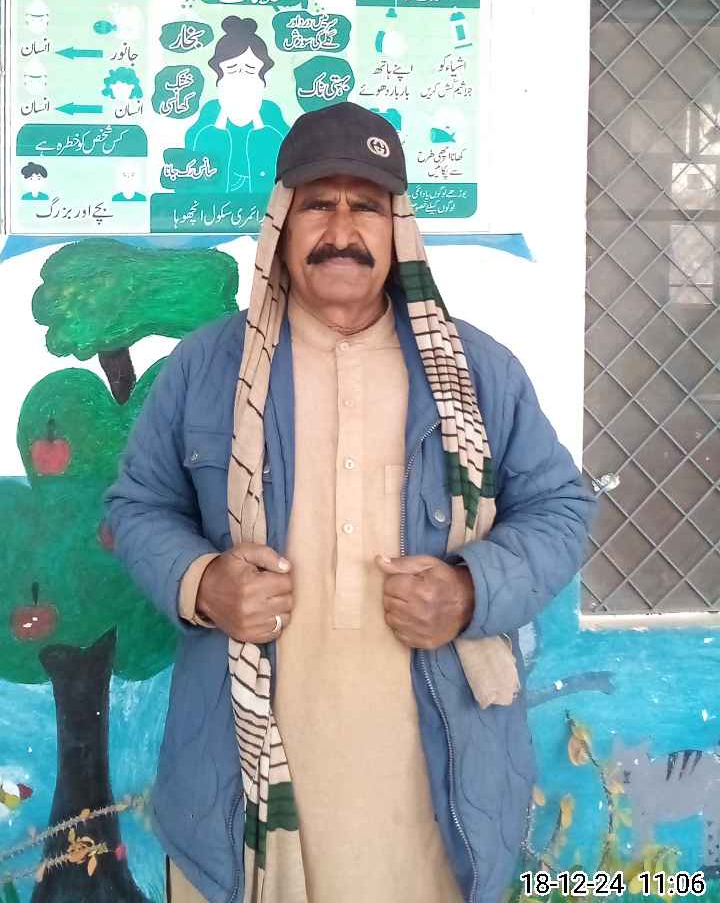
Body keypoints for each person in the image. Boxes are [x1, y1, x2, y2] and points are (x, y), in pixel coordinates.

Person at [106, 101, 594, 903]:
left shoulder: (478, 371)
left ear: (397, 228)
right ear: (281, 225)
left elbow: (560, 509)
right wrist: (203, 583)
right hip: (241, 783)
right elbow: (138, 505)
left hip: (434, 788)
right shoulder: (206, 367)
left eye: (366, 206)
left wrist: (471, 589)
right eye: (317, 205)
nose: (342, 230)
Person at [184, 16, 289, 193]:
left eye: (250, 70)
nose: (241, 80)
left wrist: (261, 132)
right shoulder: (207, 120)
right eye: (232, 70)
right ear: (218, 76)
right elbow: (194, 180)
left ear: (264, 78)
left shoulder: (272, 118)